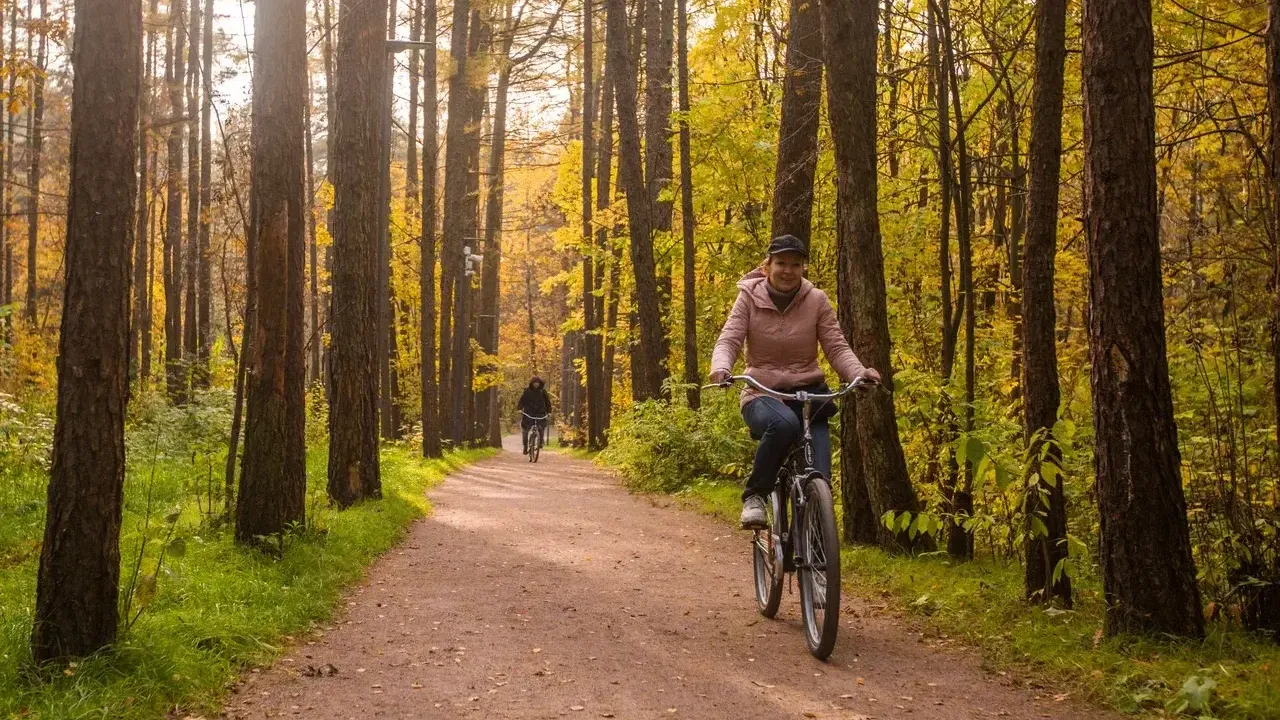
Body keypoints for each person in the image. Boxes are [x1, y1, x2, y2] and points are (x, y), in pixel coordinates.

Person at [709, 234, 882, 528]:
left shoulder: (816, 300)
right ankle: (756, 496)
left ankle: (815, 551)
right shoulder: (748, 298)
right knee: (785, 423)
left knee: (820, 479)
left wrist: (858, 373)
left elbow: (836, 346)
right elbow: (730, 339)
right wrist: (722, 367)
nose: (787, 270)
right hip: (762, 394)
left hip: (809, 396)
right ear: (767, 266)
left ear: (803, 268)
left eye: (795, 264)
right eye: (781, 263)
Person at [516, 376, 553, 454]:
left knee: (541, 427)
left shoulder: (543, 392)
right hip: (528, 413)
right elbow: (521, 401)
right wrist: (519, 409)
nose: (536, 384)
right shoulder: (527, 391)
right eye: (534, 383)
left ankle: (540, 442)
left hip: (540, 413)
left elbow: (547, 402)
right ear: (532, 383)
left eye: (538, 383)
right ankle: (525, 446)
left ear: (540, 384)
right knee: (525, 431)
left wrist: (549, 411)